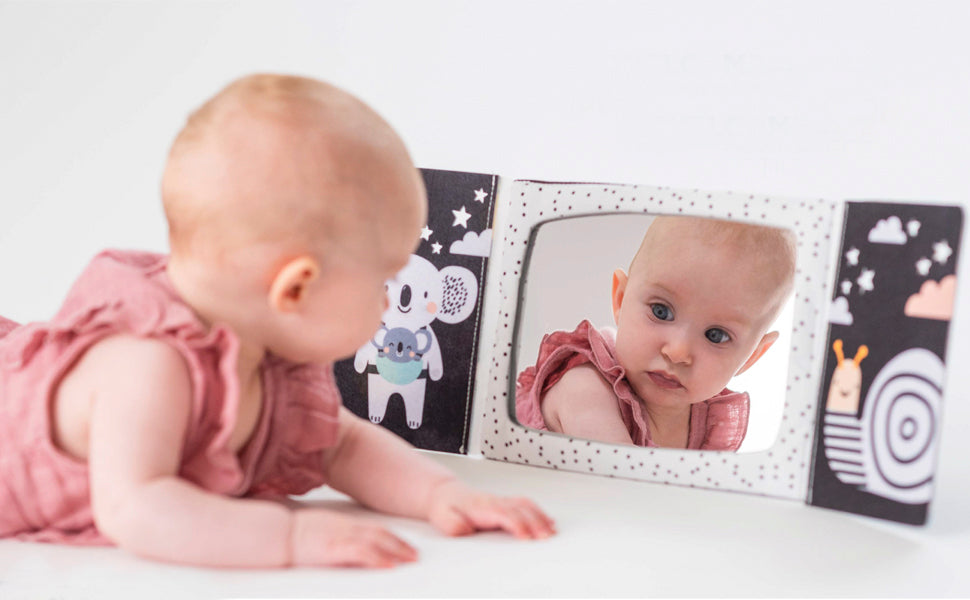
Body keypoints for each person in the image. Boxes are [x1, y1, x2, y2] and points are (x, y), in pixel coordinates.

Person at [0, 74, 554, 568]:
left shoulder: (270, 363)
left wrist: (439, 495)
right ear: (296, 287)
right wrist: (291, 537)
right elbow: (136, 507)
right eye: (382, 281)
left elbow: (344, 446)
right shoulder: (148, 364)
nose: (389, 306)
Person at [515, 216, 796, 451]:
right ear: (620, 299)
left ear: (752, 356)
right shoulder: (586, 389)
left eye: (716, 335)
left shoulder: (708, 421)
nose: (677, 351)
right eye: (661, 311)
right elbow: (621, 491)